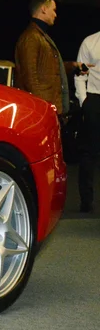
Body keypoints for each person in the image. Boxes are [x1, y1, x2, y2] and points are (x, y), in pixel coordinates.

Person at [14, 0, 86, 115]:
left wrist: (73, 66)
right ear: (43, 9)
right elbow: (30, 78)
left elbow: (48, 69)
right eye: (53, 10)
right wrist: (42, 107)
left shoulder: (40, 36)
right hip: (42, 109)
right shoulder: (31, 37)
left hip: (47, 106)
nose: (55, 14)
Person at [74, 31, 100, 213]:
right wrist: (84, 101)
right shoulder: (90, 41)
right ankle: (86, 201)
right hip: (94, 99)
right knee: (88, 153)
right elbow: (79, 74)